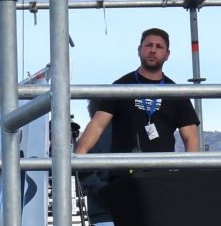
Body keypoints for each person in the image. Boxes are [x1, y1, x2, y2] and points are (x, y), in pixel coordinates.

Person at [74, 29, 202, 157]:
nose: (153, 50)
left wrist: (191, 172)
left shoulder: (176, 93)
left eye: (159, 47)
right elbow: (97, 125)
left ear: (167, 54)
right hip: (123, 172)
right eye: (148, 45)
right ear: (139, 50)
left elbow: (191, 138)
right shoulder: (121, 86)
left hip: (162, 173)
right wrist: (80, 155)